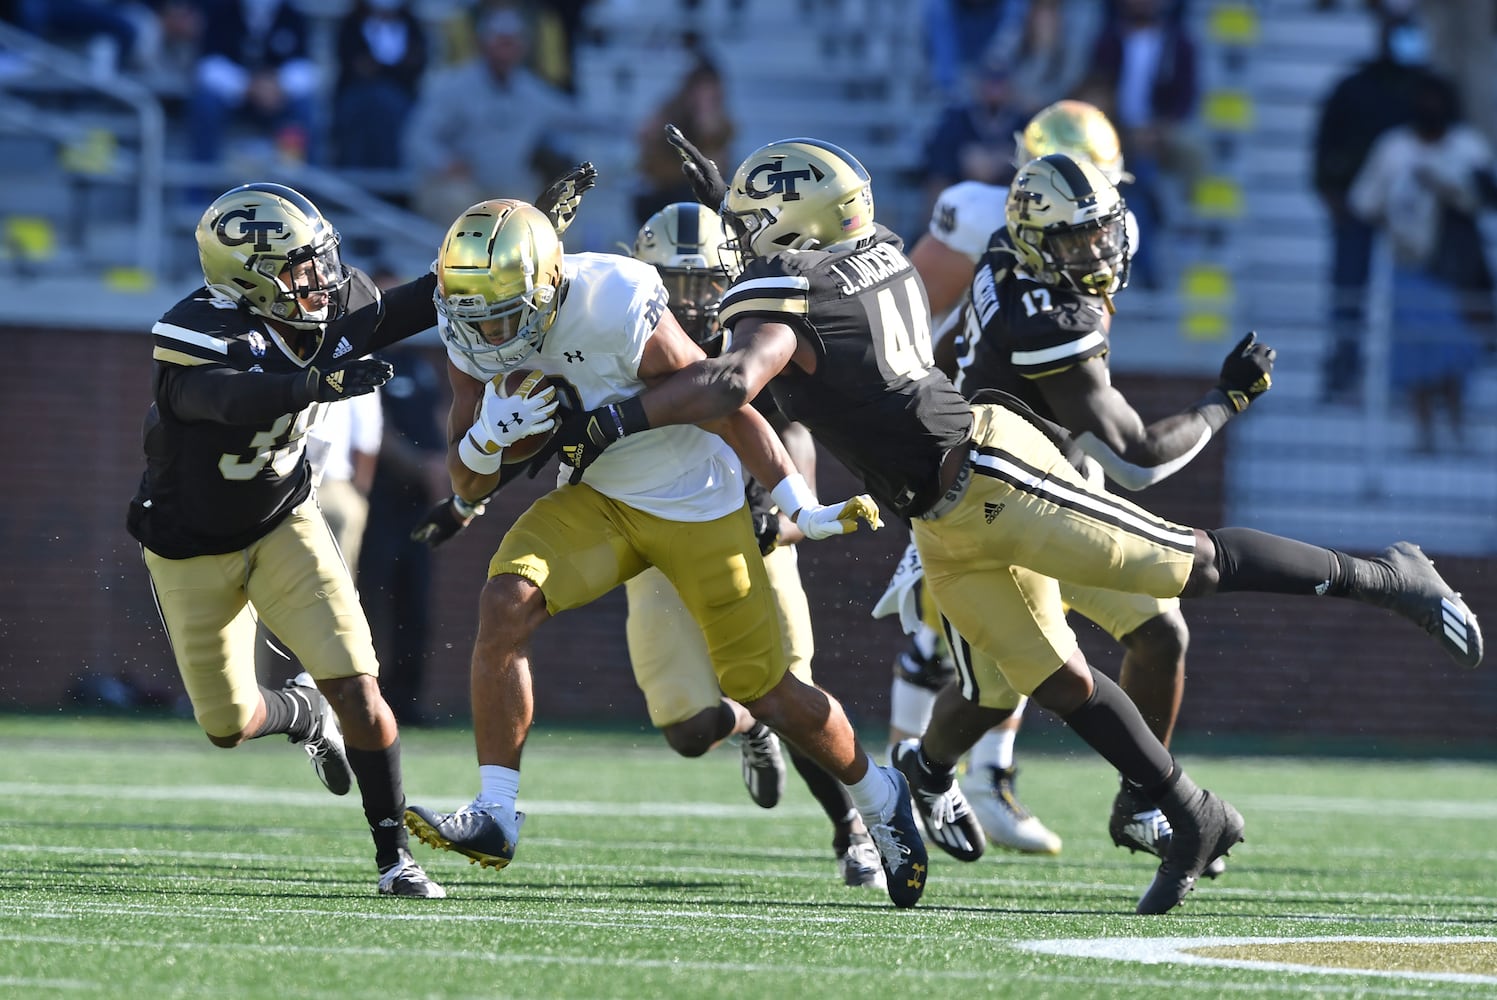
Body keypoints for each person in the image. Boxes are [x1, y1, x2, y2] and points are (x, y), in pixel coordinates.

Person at [562, 129, 1484, 914]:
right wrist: (730, 203)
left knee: (1183, 568)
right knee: (1053, 676)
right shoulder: (870, 248)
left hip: (991, 469)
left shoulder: (785, 294)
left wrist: (613, 418)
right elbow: (795, 269)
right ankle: (1191, 813)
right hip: (940, 515)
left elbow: (732, 379)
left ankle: (1391, 578)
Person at [398, 192, 929, 908]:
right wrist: (487, 438)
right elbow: (470, 474)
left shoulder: (612, 298)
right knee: (505, 601)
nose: (491, 330)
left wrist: (795, 501)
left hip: (694, 500)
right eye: (477, 314)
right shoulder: (465, 319)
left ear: (548, 286)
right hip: (600, 500)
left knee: (765, 690)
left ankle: (876, 792)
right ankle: (495, 812)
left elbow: (722, 397)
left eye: (504, 311)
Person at [126, 181, 446, 898]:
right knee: (227, 725)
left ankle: (394, 857)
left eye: (320, 260)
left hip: (282, 523)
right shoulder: (198, 330)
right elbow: (224, 396)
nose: (320, 279)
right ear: (248, 278)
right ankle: (302, 713)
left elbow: (408, 304)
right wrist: (312, 384)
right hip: (190, 547)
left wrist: (504, 250)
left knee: (361, 685)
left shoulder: (323, 312)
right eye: (299, 266)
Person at [880, 99, 1132, 858]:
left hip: (1049, 446)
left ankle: (987, 778)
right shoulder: (977, 213)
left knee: (1022, 627)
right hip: (963, 438)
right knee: (942, 633)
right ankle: (893, 804)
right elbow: (907, 316)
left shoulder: (1110, 224)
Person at [625, 202, 885, 888]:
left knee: (791, 695)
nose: (687, 301)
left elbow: (795, 443)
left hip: (750, 542)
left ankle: (851, 828)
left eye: (701, 284)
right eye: (671, 285)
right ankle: (748, 724)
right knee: (686, 731)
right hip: (660, 544)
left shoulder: (749, 342)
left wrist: (776, 507)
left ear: (727, 281)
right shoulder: (615, 344)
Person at [1348, 71, 1496, 451]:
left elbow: (1487, 194)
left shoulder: (1468, 147)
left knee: (1452, 349)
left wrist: (1447, 189)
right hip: (1409, 264)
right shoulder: (1393, 147)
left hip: (1454, 269)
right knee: (1415, 352)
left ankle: (1457, 425)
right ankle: (1423, 429)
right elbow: (1363, 202)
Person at [1312, 10, 1444, 403]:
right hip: (1355, 210)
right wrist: (1331, 194)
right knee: (1349, 295)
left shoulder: (1429, 91)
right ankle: (1343, 371)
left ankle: (1416, 382)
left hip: (1415, 214)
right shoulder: (1353, 87)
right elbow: (1324, 145)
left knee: (1417, 300)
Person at [402, 5, 588, 226]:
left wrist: (634, 127)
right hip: (456, 185)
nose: (505, 50)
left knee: (535, 217)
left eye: (511, 43)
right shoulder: (453, 87)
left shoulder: (533, 93)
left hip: (506, 187)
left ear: (522, 48)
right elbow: (418, 137)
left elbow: (579, 118)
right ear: (483, 44)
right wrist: (444, 162)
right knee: (461, 204)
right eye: (500, 42)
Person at [360, 339, 450, 727]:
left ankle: (407, 703)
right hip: (377, 507)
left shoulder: (421, 365)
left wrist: (449, 463)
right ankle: (367, 702)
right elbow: (376, 433)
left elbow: (443, 415)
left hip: (420, 509)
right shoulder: (366, 364)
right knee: (373, 606)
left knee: (416, 606)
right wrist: (422, 468)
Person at [185, 0, 319, 173]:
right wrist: (247, 86)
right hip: (234, 96)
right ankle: (201, 182)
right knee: (205, 103)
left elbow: (305, 68)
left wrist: (278, 85)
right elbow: (208, 65)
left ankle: (298, 183)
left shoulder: (292, 16)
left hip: (277, 99)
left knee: (304, 108)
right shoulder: (222, 13)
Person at [632, 57, 736, 227]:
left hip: (694, 198)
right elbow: (649, 163)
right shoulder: (669, 114)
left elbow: (714, 170)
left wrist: (705, 121)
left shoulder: (722, 124)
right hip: (662, 195)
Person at [331, 0, 429, 173]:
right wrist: (390, 70)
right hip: (357, 98)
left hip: (400, 99)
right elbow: (354, 66)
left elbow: (414, 66)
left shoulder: (411, 25)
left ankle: (393, 178)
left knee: (388, 105)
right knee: (369, 105)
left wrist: (380, 70)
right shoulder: (352, 23)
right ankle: (354, 175)